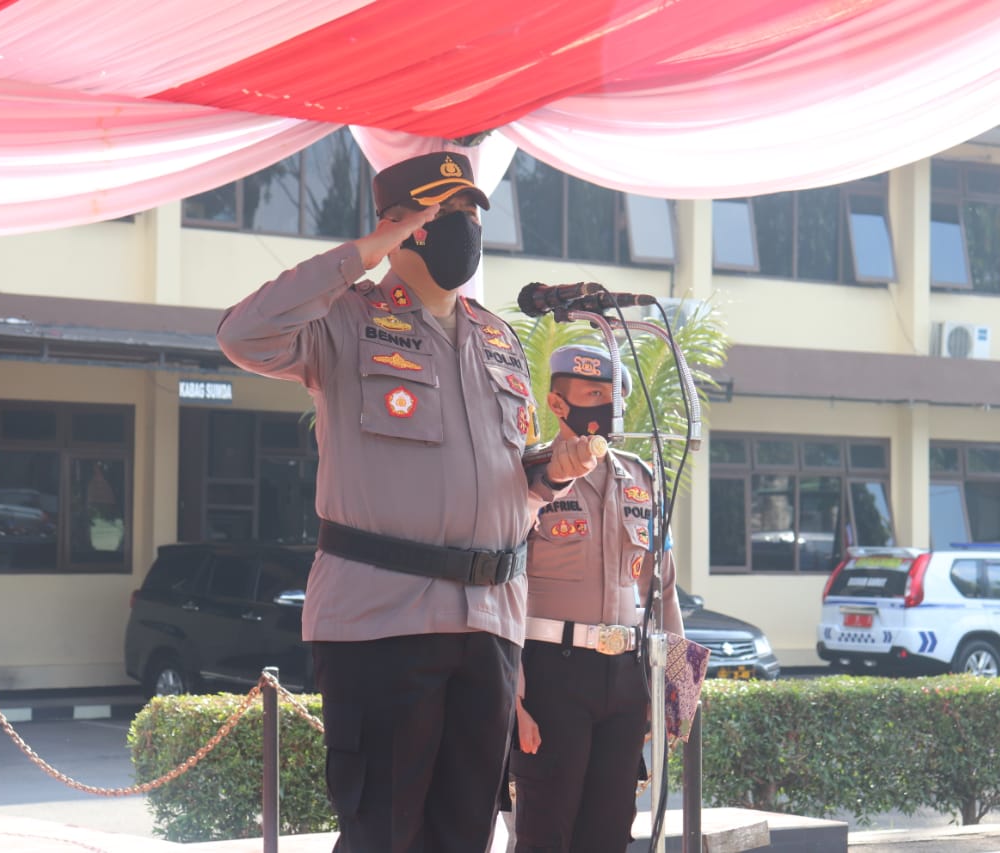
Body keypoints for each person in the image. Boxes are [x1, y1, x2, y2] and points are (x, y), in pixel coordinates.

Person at [216, 150, 598, 853]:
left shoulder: (498, 338)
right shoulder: (345, 321)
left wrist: (555, 470)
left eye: (470, 214)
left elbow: (511, 478)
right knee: (384, 834)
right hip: (382, 622)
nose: (465, 229)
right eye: (446, 214)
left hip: (489, 626)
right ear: (401, 225)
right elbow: (243, 336)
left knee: (464, 836)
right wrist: (360, 255)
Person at [510, 344, 685, 853]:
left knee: (610, 832)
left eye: (616, 398)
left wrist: (675, 692)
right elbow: (502, 588)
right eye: (593, 394)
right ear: (558, 404)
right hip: (551, 675)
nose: (608, 408)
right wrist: (513, 696)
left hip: (627, 676)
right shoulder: (528, 475)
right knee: (546, 831)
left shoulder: (642, 480)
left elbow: (663, 587)